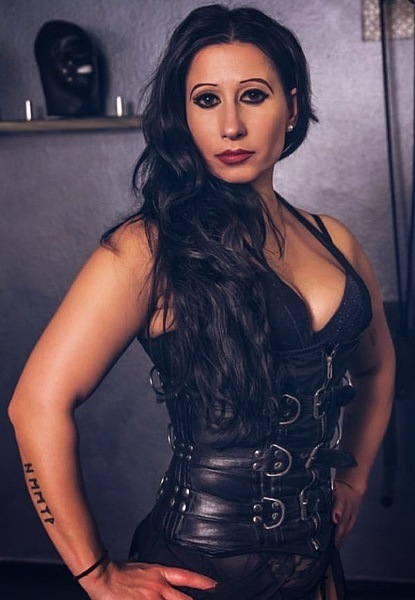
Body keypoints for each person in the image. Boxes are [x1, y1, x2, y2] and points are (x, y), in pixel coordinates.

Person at [9, 4, 395, 599]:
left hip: (318, 567)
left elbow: (377, 364)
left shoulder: (333, 239)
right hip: (197, 573)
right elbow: (36, 406)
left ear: (292, 107)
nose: (231, 126)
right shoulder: (148, 248)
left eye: (253, 96)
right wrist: (96, 574)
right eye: (207, 100)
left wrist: (356, 479)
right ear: (183, 115)